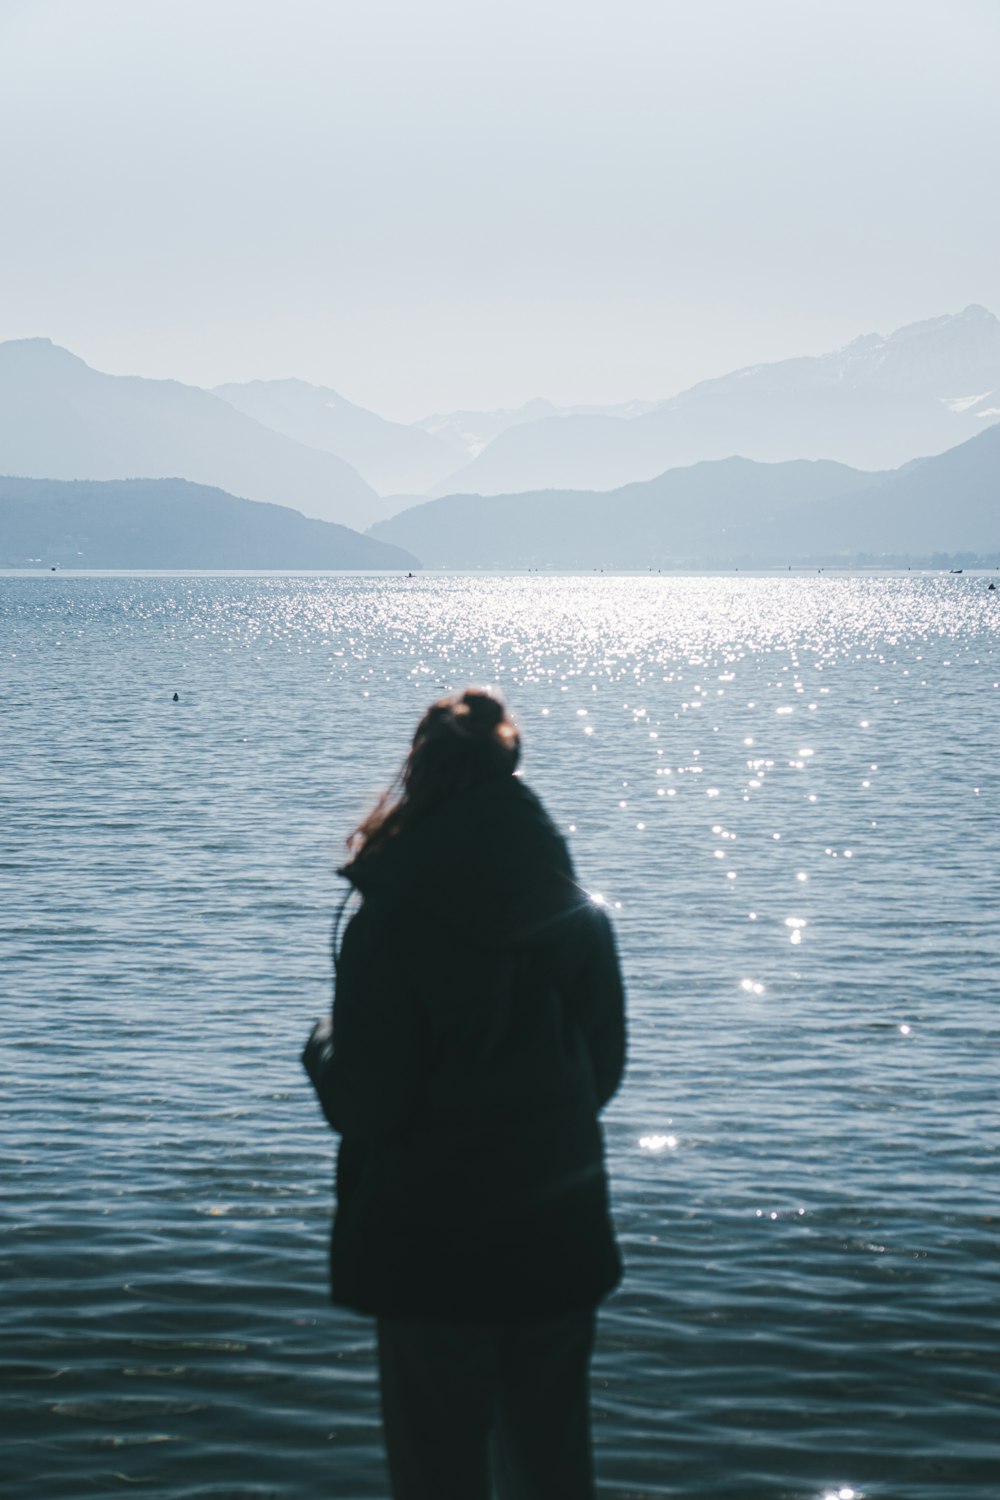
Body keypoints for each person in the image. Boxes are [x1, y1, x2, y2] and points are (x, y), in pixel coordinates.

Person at [303, 687, 626, 1500]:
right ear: (511, 769)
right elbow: (604, 1072)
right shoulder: (571, 908)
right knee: (554, 1471)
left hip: (430, 1249)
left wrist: (322, 1055)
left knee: (438, 1476)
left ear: (421, 770)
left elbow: (373, 1104)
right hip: (556, 1235)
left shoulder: (392, 916)